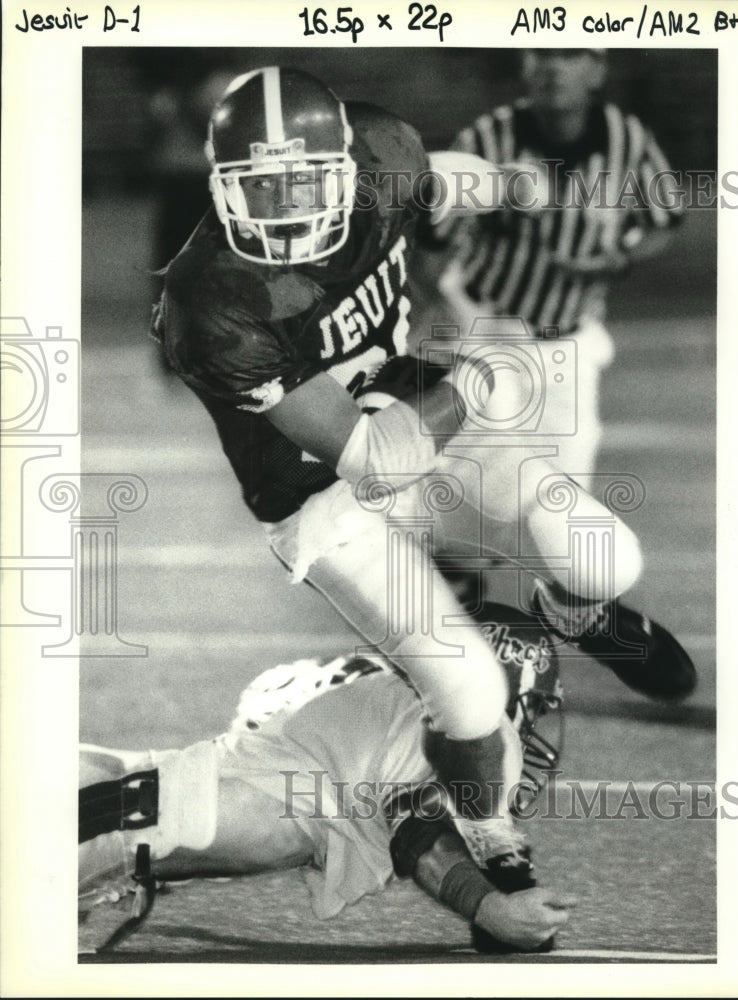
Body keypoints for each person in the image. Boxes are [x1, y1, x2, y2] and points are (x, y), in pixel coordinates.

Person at [150, 65, 695, 888]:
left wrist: (512, 184)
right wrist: (475, 378)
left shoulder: (383, 155)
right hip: (324, 497)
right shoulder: (211, 304)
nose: (290, 209)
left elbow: (450, 179)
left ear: (346, 166)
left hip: (416, 400)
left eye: (305, 181)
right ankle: (484, 823)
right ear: (222, 186)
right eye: (264, 191)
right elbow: (372, 459)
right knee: (471, 695)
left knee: (604, 560)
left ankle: (569, 612)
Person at [79, 603, 574, 955]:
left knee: (79, 794)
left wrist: (501, 900)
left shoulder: (393, 690)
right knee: (79, 836)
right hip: (278, 795)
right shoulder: (479, 727)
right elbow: (416, 829)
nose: (532, 725)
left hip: (252, 771)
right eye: (533, 705)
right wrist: (492, 910)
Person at [430, 49, 684, 489]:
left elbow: (664, 221)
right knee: (476, 488)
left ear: (597, 69)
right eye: (542, 54)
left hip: (568, 339)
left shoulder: (626, 138)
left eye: (570, 54)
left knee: (564, 492)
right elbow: (430, 240)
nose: (554, 67)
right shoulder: (487, 139)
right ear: (525, 65)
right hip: (484, 329)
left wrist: (619, 259)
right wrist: (441, 311)